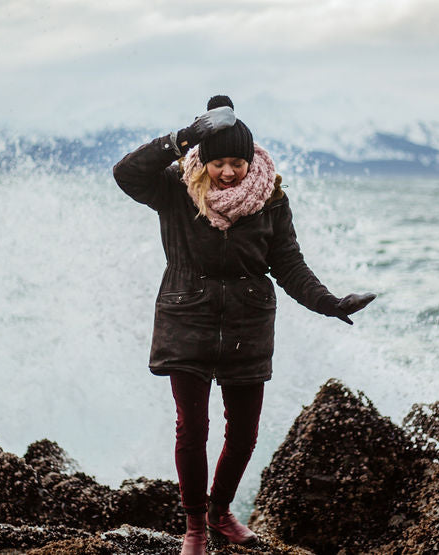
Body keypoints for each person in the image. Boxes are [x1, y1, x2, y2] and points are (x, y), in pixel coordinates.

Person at [113, 96, 375, 555]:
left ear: (252, 158)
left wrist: (329, 303)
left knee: (244, 434)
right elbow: (125, 174)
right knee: (192, 430)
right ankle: (194, 525)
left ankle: (220, 511)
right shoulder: (175, 186)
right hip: (185, 319)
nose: (229, 172)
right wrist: (180, 138)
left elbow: (289, 264)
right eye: (219, 162)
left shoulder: (271, 198)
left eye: (238, 162)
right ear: (203, 160)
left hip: (247, 326)